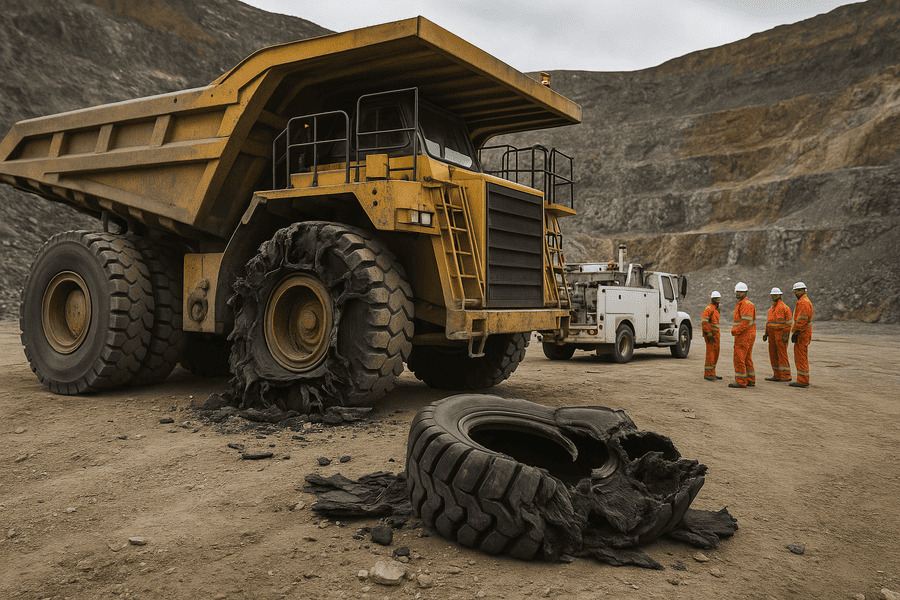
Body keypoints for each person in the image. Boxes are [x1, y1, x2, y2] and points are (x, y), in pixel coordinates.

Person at [729, 282, 756, 388]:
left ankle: (741, 381)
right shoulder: (742, 304)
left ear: (745, 292)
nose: (738, 293)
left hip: (744, 336)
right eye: (737, 291)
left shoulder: (745, 304)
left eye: (740, 292)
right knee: (747, 358)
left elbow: (745, 322)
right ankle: (750, 379)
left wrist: (736, 331)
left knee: (739, 358)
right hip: (747, 335)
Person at [764, 287, 793, 382]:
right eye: (772, 295)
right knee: (773, 355)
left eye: (775, 295)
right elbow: (769, 322)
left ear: (780, 295)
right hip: (772, 335)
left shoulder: (784, 308)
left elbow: (788, 323)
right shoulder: (772, 308)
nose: (773, 296)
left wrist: (786, 335)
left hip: (780, 334)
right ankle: (777, 375)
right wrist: (766, 333)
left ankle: (785, 376)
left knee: (782, 355)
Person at [790, 282, 814, 387]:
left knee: (801, 357)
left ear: (804, 290)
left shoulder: (803, 302)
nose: (796, 293)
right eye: (795, 291)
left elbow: (802, 319)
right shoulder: (803, 301)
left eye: (798, 290)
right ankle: (802, 379)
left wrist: (796, 332)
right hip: (803, 332)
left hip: (802, 333)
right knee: (800, 356)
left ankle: (803, 380)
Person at [701, 291, 723, 381]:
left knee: (715, 353)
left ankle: (712, 372)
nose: (718, 300)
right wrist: (709, 333)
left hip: (715, 335)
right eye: (716, 298)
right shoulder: (709, 309)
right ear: (712, 299)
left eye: (718, 298)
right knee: (711, 354)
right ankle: (708, 374)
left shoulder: (716, 309)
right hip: (710, 335)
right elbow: (704, 322)